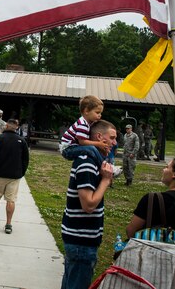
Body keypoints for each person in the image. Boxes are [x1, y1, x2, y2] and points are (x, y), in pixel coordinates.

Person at [61, 119, 116, 289]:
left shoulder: (92, 160)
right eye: (112, 137)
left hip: (79, 240)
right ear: (100, 137)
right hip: (81, 242)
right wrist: (106, 180)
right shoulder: (87, 162)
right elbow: (89, 205)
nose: (115, 143)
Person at [0, 119, 29, 234]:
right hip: (14, 175)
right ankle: (8, 224)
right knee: (11, 200)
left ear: (6, 126)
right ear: (17, 127)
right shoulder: (21, 141)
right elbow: (25, 159)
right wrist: (21, 172)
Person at [59, 95, 109, 161]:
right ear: (86, 111)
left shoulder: (87, 124)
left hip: (74, 147)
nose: (100, 115)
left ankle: (104, 163)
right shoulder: (82, 124)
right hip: (68, 150)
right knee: (92, 149)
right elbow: (82, 142)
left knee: (93, 149)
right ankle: (103, 166)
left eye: (100, 113)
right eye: (97, 112)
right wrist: (98, 144)